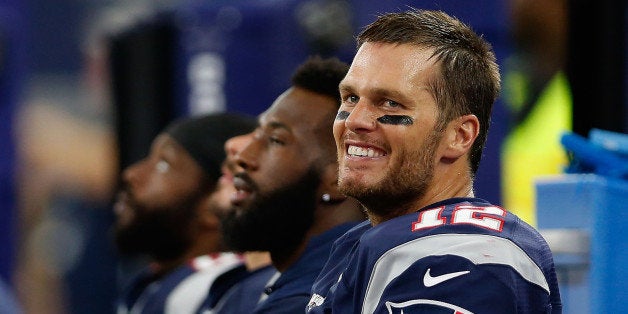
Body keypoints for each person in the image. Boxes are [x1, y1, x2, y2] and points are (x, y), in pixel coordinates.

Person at [307, 9, 562, 314]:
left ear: (459, 135)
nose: (355, 121)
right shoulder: (356, 243)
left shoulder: (470, 255)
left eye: (389, 102)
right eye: (350, 98)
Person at [218, 56, 366, 313]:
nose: (243, 157)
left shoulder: (310, 300)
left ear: (339, 178)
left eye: (275, 140)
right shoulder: (321, 277)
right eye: (257, 134)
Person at [113, 112, 268, 314]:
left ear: (217, 199)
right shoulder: (151, 283)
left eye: (163, 164)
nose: (131, 174)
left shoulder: (220, 292)